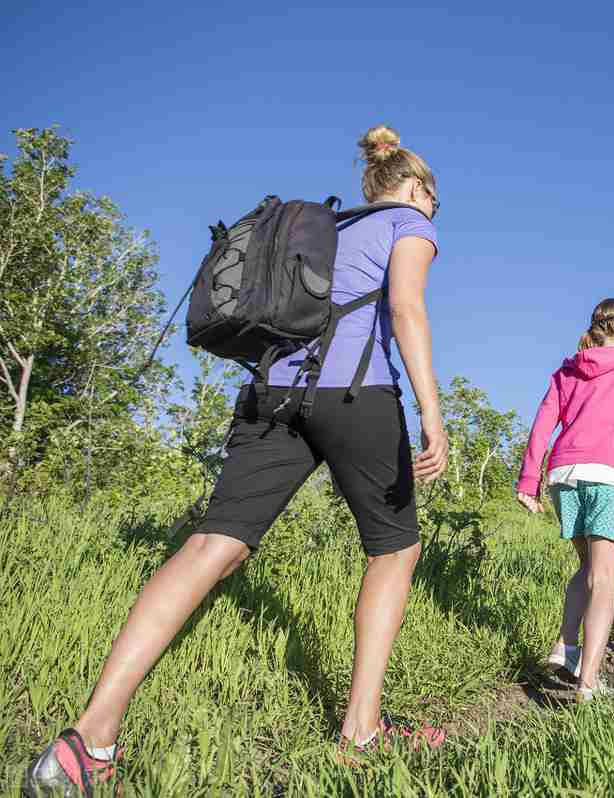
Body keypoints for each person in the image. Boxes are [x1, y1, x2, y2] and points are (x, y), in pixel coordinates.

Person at [25, 124, 449, 794]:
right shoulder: (408, 224)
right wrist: (432, 411)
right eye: (434, 200)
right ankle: (360, 731)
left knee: (210, 546)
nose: (432, 212)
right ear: (418, 188)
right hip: (357, 395)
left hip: (270, 394)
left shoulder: (324, 225)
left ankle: (90, 738)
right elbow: (406, 309)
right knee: (394, 551)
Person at [515, 298, 614, 702]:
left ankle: (566, 647)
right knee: (604, 579)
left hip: (564, 476)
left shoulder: (567, 371)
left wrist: (529, 479)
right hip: (607, 477)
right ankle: (588, 682)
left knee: (587, 567)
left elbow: (542, 424)